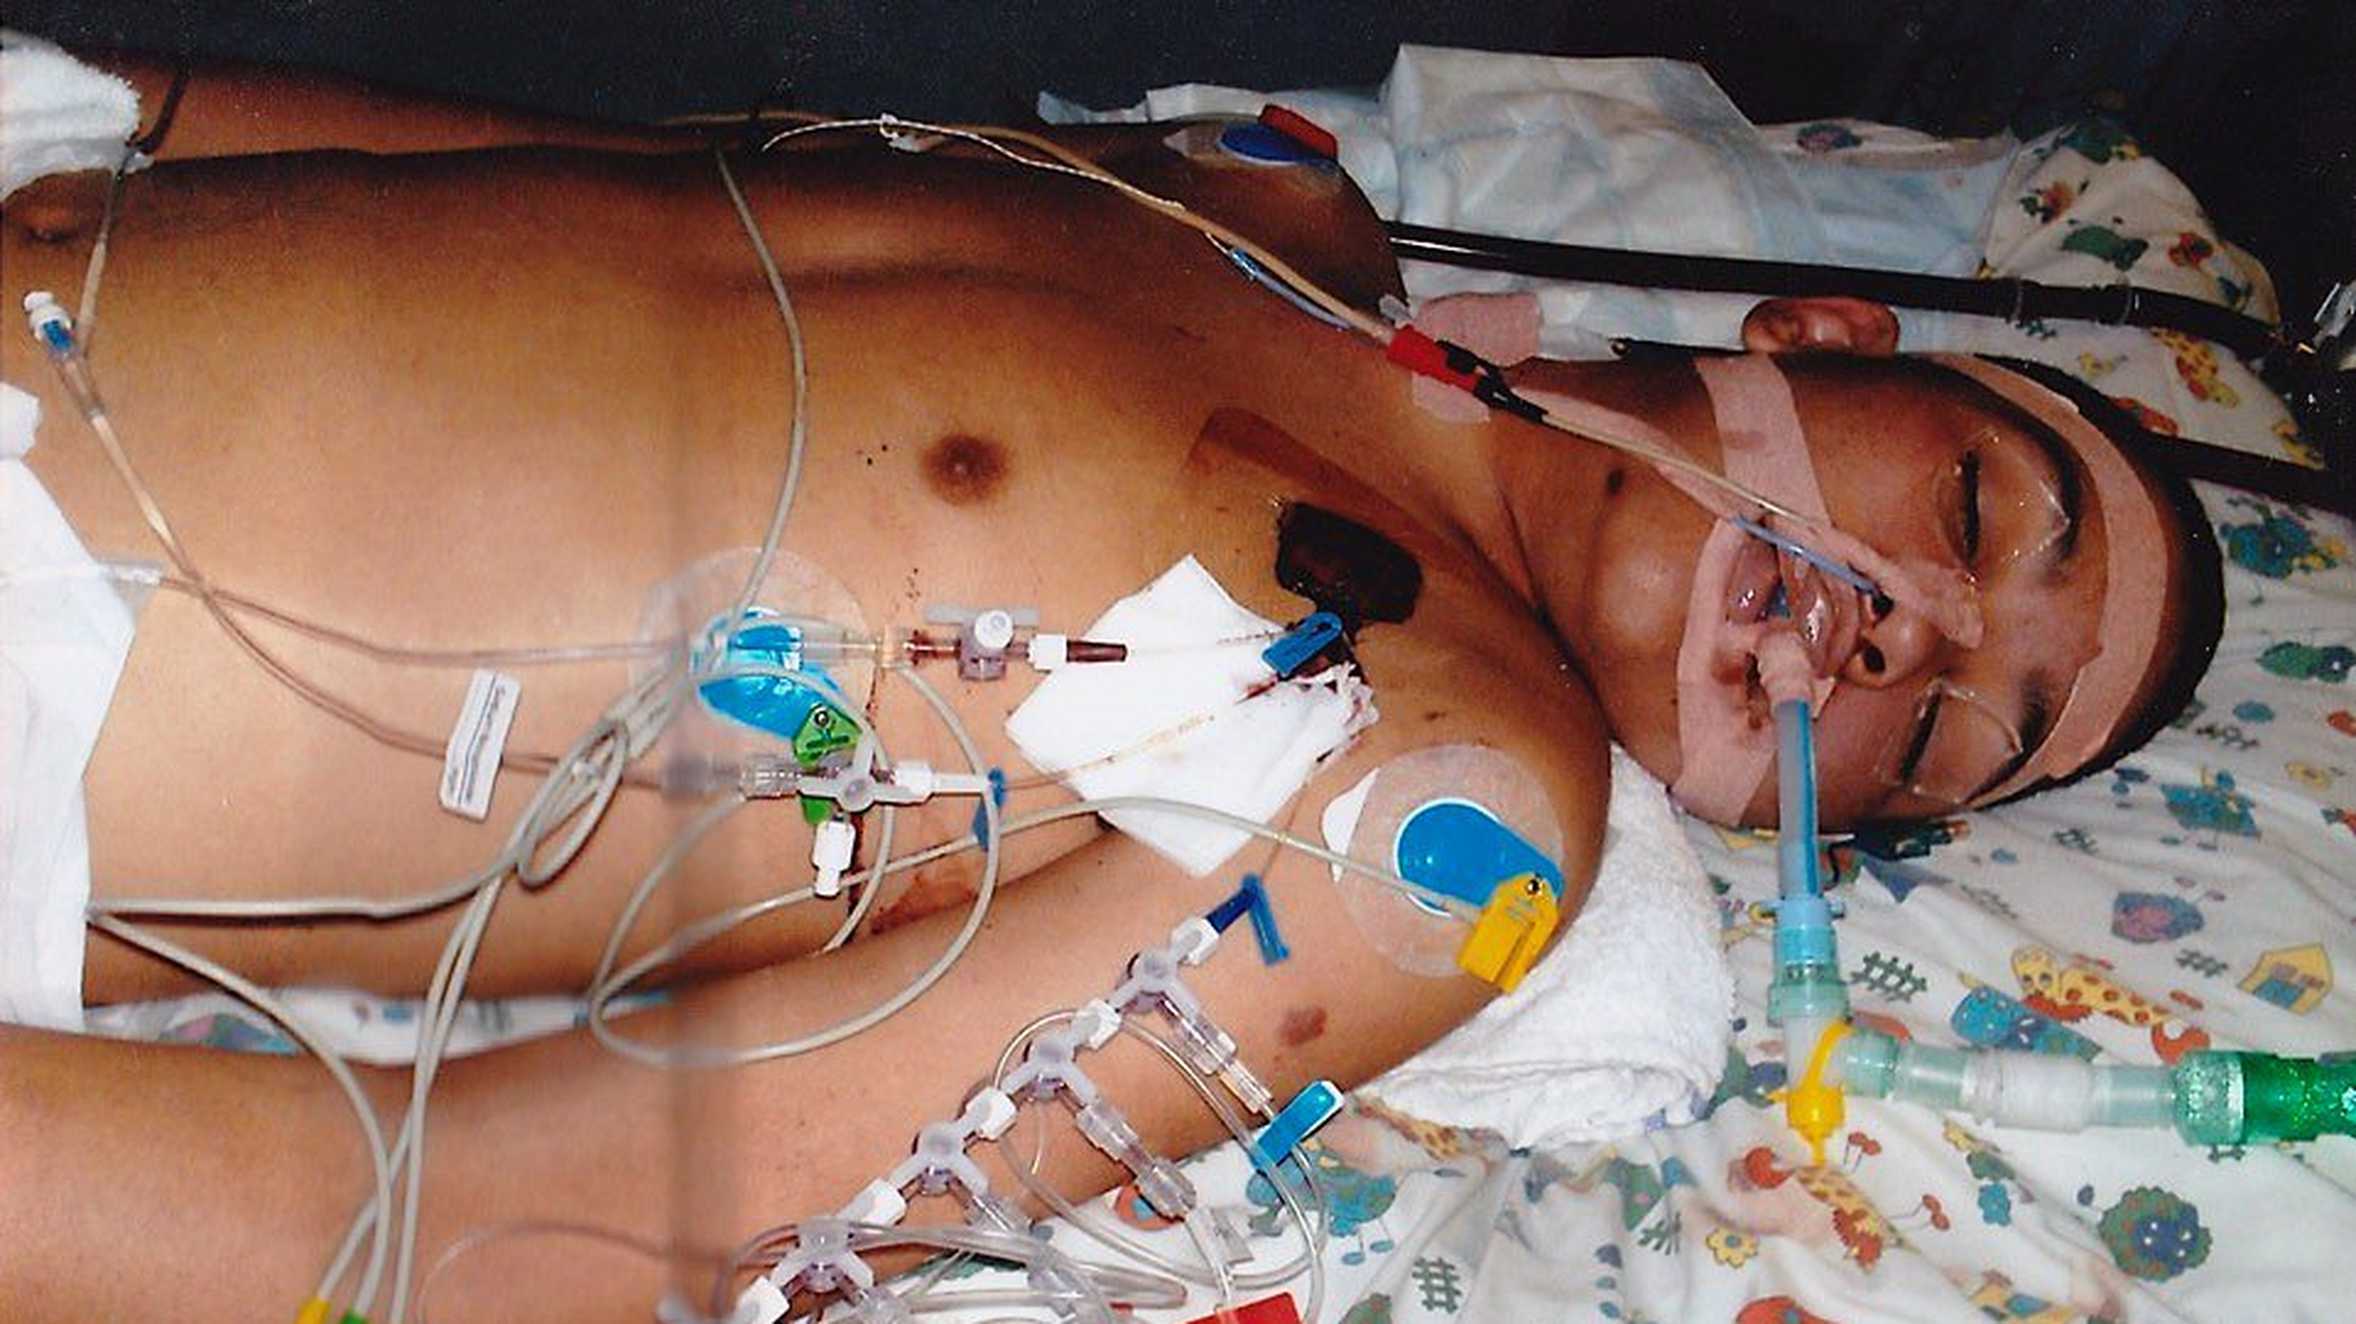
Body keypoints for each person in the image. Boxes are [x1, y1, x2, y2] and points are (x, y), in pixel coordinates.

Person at [0, 50, 2220, 1322]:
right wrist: (100, 91)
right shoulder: (1269, 201)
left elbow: (490, 1226)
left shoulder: (1440, 811)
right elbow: (558, 184)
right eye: (1963, 513)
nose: (1895, 635)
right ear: (1826, 344)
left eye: (1940, 729)